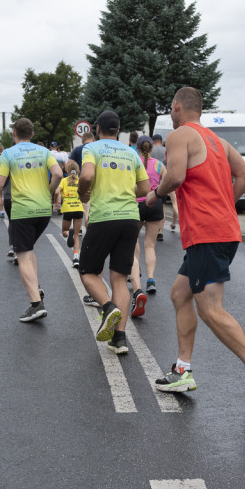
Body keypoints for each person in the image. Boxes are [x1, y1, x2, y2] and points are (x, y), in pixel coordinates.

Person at [144, 86, 245, 415]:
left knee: (209, 308)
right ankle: (182, 371)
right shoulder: (218, 142)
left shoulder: (181, 135)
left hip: (207, 233)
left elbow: (175, 176)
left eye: (171, 107)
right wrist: (224, 205)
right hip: (220, 229)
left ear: (177, 106)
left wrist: (153, 196)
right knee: (180, 294)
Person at [77, 110, 150, 354]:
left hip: (104, 217)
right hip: (130, 218)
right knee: (120, 277)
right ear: (118, 130)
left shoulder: (92, 149)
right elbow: (145, 187)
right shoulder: (131, 152)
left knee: (87, 272)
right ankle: (119, 339)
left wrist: (82, 193)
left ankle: (108, 308)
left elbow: (86, 175)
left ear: (97, 129)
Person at [0, 117, 63, 322]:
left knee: (22, 255)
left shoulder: (8, 153)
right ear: (32, 134)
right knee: (29, 249)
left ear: (14, 133)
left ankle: (35, 305)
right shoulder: (45, 151)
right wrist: (48, 192)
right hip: (43, 210)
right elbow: (58, 173)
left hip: (22, 210)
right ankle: (36, 288)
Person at [130, 135, 167, 301]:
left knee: (134, 241)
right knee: (150, 245)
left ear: (136, 148)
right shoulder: (159, 165)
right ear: (151, 148)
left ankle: (136, 273)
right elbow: (167, 184)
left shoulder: (133, 163)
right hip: (154, 204)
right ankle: (151, 279)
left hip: (136, 205)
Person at [54, 160, 84, 268]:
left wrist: (55, 203)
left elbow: (57, 192)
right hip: (78, 208)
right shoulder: (80, 181)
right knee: (77, 235)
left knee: (64, 232)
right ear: (78, 171)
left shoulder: (64, 181)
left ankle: (68, 233)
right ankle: (76, 258)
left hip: (67, 208)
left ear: (67, 170)